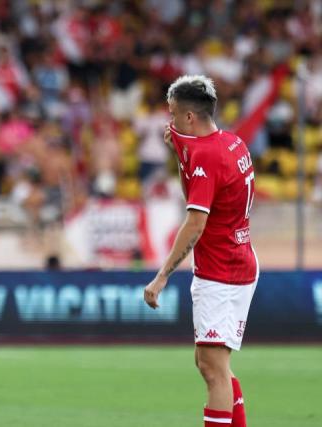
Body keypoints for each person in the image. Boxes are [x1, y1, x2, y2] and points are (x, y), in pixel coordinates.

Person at [144, 75, 258, 427]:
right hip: (236, 262)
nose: (171, 121)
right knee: (210, 364)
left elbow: (195, 223)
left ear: (190, 117)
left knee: (213, 372)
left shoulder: (207, 157)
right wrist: (181, 151)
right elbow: (195, 188)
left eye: (174, 114)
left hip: (222, 271)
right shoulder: (232, 143)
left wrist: (161, 277)